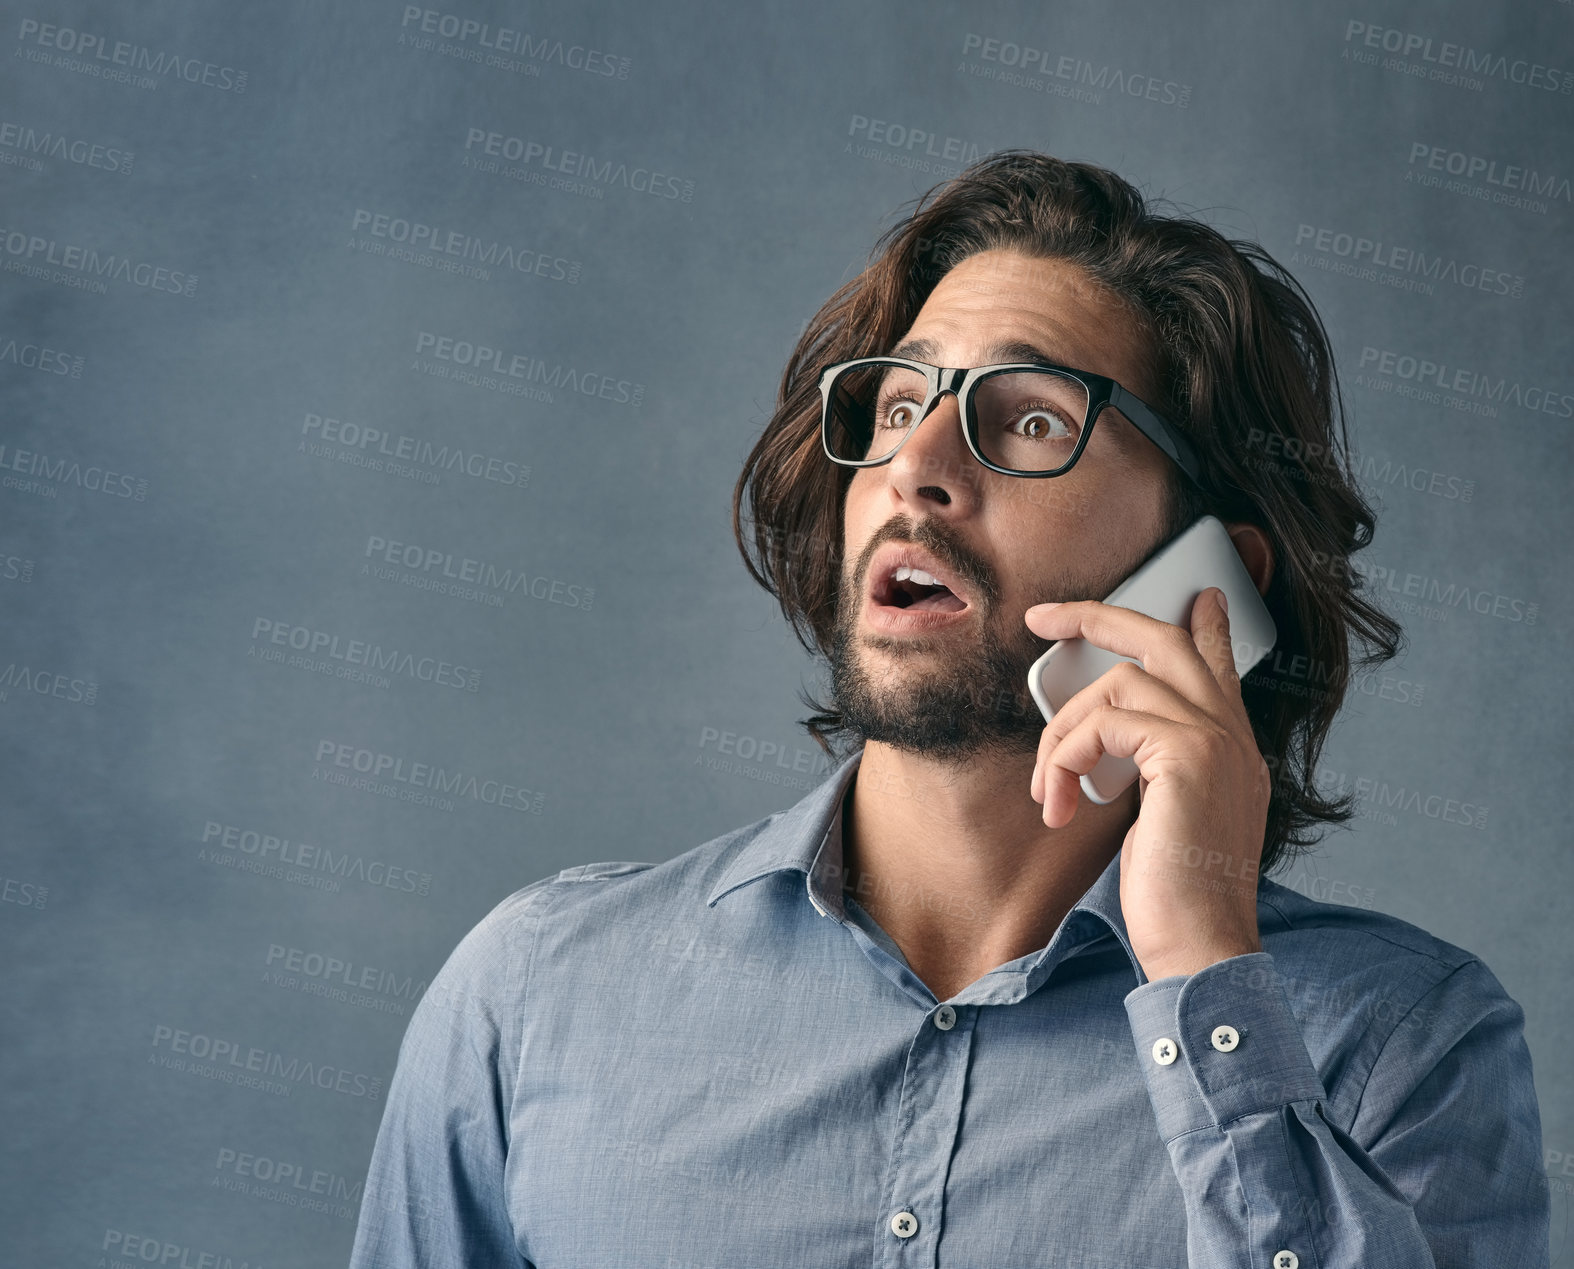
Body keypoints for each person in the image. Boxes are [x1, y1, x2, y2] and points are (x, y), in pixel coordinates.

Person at [348, 150, 1550, 1268]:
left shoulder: (1403, 1042)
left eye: (1027, 418)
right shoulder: (538, 990)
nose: (917, 464)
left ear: (1208, 580)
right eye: (893, 404)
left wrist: (1200, 970)